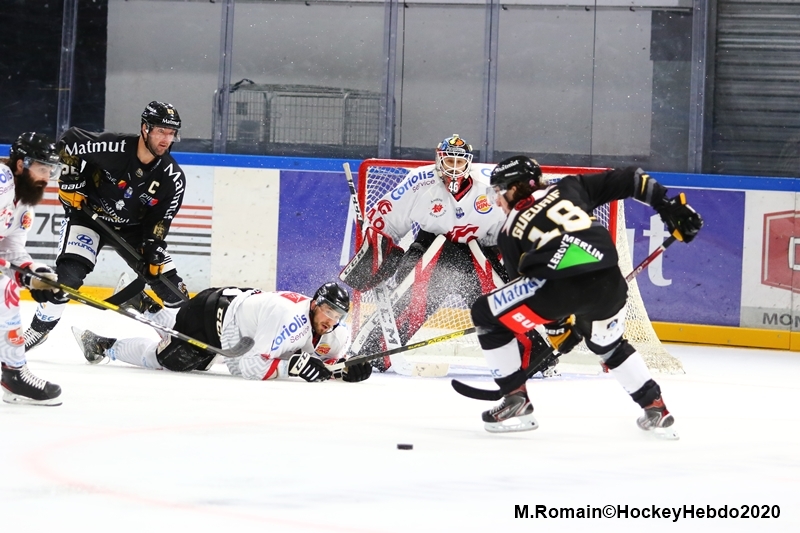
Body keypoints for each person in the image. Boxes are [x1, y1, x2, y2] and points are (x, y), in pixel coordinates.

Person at [469, 156, 703, 436]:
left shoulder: (509, 232)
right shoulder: (568, 188)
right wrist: (667, 205)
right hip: (608, 283)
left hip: (556, 288)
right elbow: (630, 178)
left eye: (499, 191)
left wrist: (557, 327)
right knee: (609, 345)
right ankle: (655, 407)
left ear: (518, 187)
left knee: (486, 314)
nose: (497, 201)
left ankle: (513, 397)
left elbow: (524, 285)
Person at [340, 135, 553, 374]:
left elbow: (514, 230)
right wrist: (376, 253)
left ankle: (531, 353)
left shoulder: (489, 186)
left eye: (459, 162)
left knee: (498, 299)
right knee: (411, 296)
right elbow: (385, 218)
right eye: (448, 161)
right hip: (429, 248)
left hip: (478, 253)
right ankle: (369, 351)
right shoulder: (419, 182)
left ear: (468, 163)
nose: (453, 167)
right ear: (438, 159)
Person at [23, 101, 189, 352]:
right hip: (88, 218)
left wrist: (153, 249)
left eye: (171, 133)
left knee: (172, 289)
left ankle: (156, 312)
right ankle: (38, 329)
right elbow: (69, 140)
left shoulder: (172, 178)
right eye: (160, 131)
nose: (166, 139)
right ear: (145, 128)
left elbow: (161, 220)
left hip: (133, 230)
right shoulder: (115, 147)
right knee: (67, 280)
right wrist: (71, 181)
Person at [71, 282, 373, 383]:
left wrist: (346, 371)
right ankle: (100, 344)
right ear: (316, 304)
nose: (331, 321)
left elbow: (331, 364)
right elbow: (247, 368)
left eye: (338, 316)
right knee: (174, 359)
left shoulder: (337, 335)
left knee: (183, 344)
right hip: (215, 313)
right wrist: (291, 369)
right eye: (328, 311)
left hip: (240, 313)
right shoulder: (289, 319)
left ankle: (147, 305)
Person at [0, 133, 65, 405]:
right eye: (41, 168)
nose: (46, 176)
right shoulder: (1, 179)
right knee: (5, 289)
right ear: (20, 165)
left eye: (51, 170)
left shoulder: (23, 202)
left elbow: (11, 251)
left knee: (8, 285)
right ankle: (14, 373)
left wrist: (35, 274)